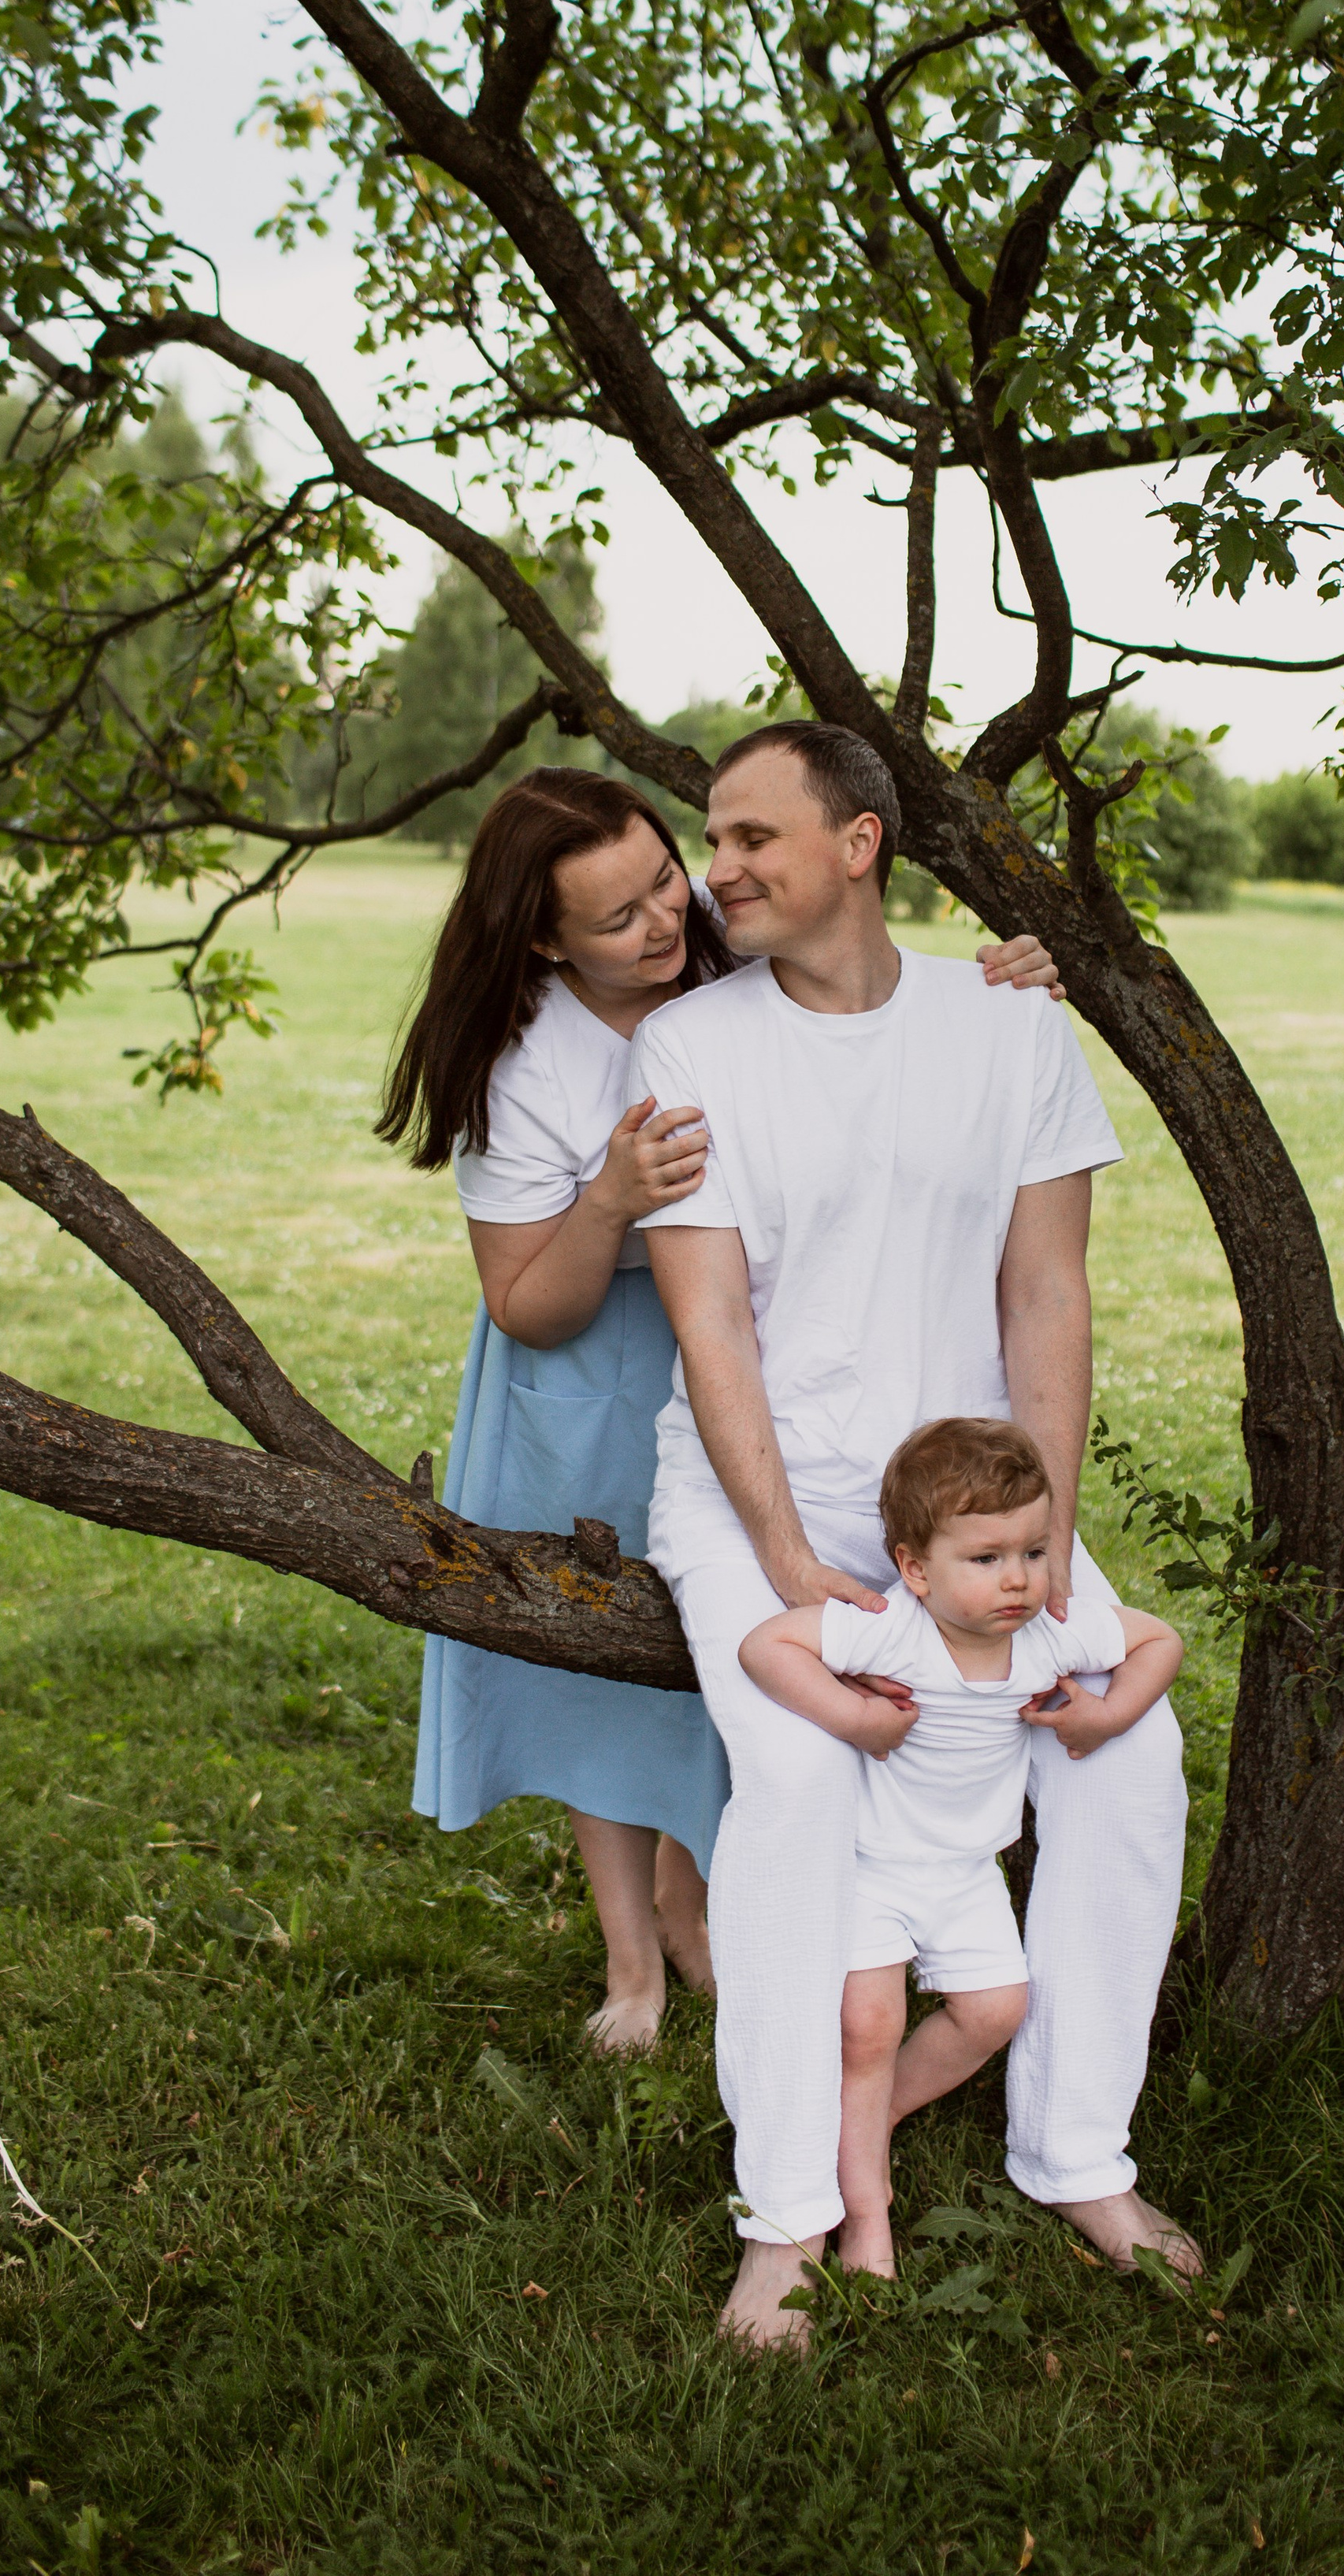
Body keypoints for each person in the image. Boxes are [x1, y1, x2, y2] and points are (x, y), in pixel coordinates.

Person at [630, 718, 1200, 2346]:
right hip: (768, 1493)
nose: (716, 868)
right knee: (803, 1777)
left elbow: (1045, 1290)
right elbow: (712, 1328)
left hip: (972, 1501)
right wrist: (790, 1560)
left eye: (750, 836)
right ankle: (789, 2216)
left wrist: (1045, 1558)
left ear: (861, 840)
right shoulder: (692, 1052)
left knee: (1124, 1755)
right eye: (709, 840)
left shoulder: (1005, 1021)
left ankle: (1075, 2150)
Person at [379, 764, 1064, 2053]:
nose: (663, 920)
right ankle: (632, 1961)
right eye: (617, 917)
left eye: (662, 881)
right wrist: (609, 1199)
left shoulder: (722, 959)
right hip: (591, 1378)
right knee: (600, 1659)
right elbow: (527, 1303)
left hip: (754, 1352)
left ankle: (698, 1911)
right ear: (543, 940)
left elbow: (863, 1004)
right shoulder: (522, 1063)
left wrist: (990, 988)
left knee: (707, 1662)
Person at [741, 1417, 1185, 2278]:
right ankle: (868, 2214)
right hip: (870, 1868)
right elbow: (767, 1646)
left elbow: (1159, 1640)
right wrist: (856, 1719)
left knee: (994, 2011)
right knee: (867, 2025)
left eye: (1031, 1553)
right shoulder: (893, 1631)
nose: (1017, 1580)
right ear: (916, 1570)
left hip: (965, 1875)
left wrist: (1109, 1713)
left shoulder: (1049, 1634)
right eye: (985, 1559)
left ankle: (866, 2122)